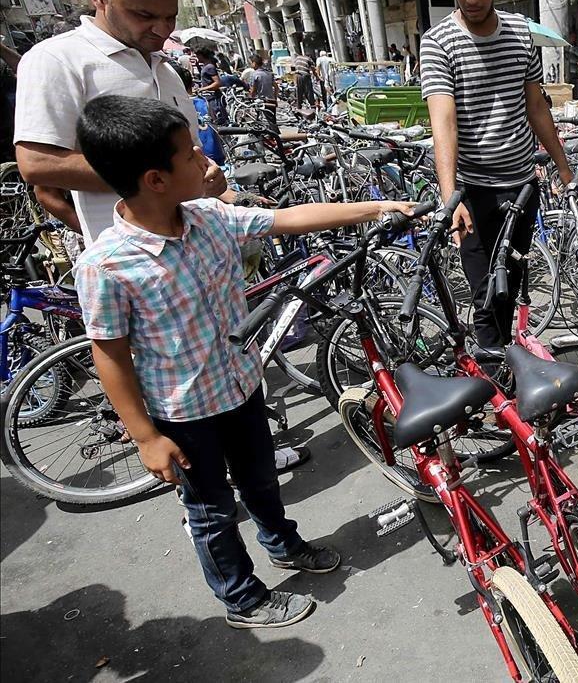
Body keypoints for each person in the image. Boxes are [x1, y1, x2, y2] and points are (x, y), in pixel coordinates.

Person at [73, 94, 420, 628]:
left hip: (241, 385)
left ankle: (281, 542)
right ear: (155, 180)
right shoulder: (106, 264)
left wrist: (376, 208)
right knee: (211, 511)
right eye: (190, 155)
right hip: (184, 413)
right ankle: (242, 597)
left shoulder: (210, 217)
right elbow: (110, 354)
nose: (206, 163)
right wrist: (145, 436)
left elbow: (287, 218)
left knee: (260, 481)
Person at [13, 0, 229, 245]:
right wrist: (158, 180)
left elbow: (190, 156)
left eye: (170, 17)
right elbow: (37, 164)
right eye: (145, 16)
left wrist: (213, 179)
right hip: (134, 270)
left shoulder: (165, 69)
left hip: (196, 256)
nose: (162, 29)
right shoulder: (57, 60)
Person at [421, 0, 573, 361]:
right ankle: (494, 384)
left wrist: (561, 166)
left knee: (512, 281)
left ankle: (503, 360)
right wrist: (451, 199)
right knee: (485, 292)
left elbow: (536, 106)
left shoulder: (520, 33)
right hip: (474, 193)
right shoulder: (438, 44)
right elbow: (442, 124)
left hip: (523, 187)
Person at [195, 47, 228, 125]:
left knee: (219, 120)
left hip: (214, 98)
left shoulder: (209, 67)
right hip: (210, 98)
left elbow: (217, 83)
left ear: (202, 55)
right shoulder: (206, 66)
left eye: (198, 56)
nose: (197, 58)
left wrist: (202, 89)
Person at [247, 54, 278, 132]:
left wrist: (250, 97)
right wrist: (275, 98)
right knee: (272, 120)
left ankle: (277, 138)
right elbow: (276, 88)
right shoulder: (269, 73)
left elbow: (253, 90)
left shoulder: (254, 75)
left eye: (251, 63)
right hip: (271, 100)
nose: (250, 65)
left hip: (262, 101)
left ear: (254, 63)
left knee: (269, 122)